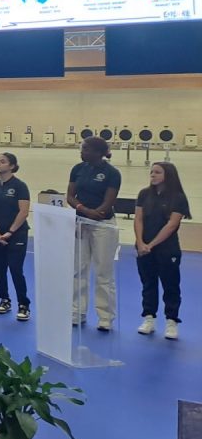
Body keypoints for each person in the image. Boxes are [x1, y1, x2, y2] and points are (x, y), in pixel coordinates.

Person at [66, 136, 121, 329]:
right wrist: (84, 210)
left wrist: (97, 213)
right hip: (81, 222)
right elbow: (70, 196)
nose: (82, 152)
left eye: (86, 149)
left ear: (98, 152)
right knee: (78, 269)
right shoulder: (78, 169)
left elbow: (108, 202)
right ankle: (77, 312)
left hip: (103, 226)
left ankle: (105, 317)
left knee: (103, 272)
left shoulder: (112, 173)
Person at [134, 162, 191, 339]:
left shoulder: (178, 198)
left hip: (167, 249)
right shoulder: (144, 194)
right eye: (151, 172)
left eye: (157, 172)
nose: (153, 175)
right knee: (148, 283)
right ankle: (149, 318)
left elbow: (172, 224)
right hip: (144, 249)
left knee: (170, 285)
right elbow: (138, 220)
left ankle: (171, 321)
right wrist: (140, 242)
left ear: (168, 175)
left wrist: (151, 245)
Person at [0, 153, 31, 321]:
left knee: (16, 269)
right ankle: (4, 299)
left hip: (16, 234)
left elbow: (23, 212)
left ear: (11, 166)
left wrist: (10, 232)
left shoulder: (20, 186)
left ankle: (23, 304)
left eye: (2, 162)